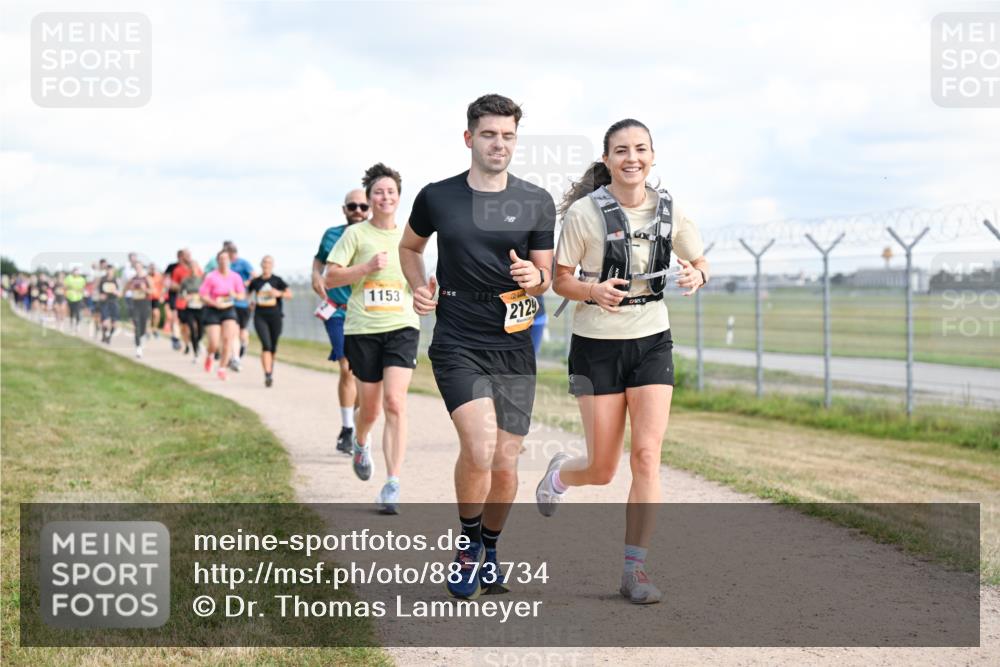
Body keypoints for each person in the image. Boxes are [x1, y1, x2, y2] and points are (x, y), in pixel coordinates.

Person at [534, 118, 709, 605]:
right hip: (596, 346)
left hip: (652, 339)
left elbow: (699, 261)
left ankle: (635, 570)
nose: (632, 158)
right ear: (607, 159)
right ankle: (560, 475)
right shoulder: (585, 215)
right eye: (621, 150)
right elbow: (559, 280)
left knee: (647, 455)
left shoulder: (669, 210)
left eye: (640, 149)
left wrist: (697, 274)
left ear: (653, 156)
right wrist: (593, 290)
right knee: (604, 467)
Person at [399, 94, 555, 598]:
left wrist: (535, 277)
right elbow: (409, 247)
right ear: (469, 138)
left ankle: (489, 548)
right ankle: (467, 548)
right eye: (489, 134)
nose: (499, 144)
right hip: (457, 335)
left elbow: (545, 275)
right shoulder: (436, 196)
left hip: (513, 340)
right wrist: (420, 285)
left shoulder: (536, 200)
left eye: (508, 135)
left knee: (507, 462)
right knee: (480, 446)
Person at [326, 163, 420, 515]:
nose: (384, 197)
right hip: (363, 329)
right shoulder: (355, 236)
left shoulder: (411, 236)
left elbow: (419, 280)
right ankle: (361, 442)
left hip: (402, 326)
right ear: (369, 198)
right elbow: (330, 277)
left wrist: (427, 291)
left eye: (391, 192)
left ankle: (392, 484)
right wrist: (364, 268)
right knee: (371, 408)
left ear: (398, 197)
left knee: (395, 402)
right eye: (378, 192)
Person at [312, 191, 367, 453]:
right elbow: (319, 260)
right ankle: (347, 429)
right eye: (352, 206)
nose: (358, 210)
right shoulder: (332, 235)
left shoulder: (377, 235)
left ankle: (355, 424)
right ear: (344, 209)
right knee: (347, 367)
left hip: (367, 312)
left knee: (362, 373)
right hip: (336, 310)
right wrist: (315, 275)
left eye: (363, 206)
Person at [205, 241, 255, 370]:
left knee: (237, 334)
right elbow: (204, 291)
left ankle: (234, 357)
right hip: (219, 308)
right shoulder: (214, 274)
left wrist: (245, 286)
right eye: (223, 257)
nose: (228, 259)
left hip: (240, 305)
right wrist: (214, 302)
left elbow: (253, 277)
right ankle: (228, 356)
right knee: (224, 337)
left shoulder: (242, 265)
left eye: (230, 255)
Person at [199, 250, 246, 381]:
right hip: (213, 310)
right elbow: (203, 295)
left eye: (226, 259)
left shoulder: (235, 277)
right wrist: (214, 302)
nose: (224, 261)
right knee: (214, 342)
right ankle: (210, 355)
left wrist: (235, 295)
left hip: (228, 309)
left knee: (227, 340)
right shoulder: (211, 276)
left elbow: (242, 295)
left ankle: (222, 368)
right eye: (221, 259)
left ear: (229, 261)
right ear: (218, 261)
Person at [248, 256, 292, 387]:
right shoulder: (256, 281)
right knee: (266, 345)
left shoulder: (277, 280)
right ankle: (267, 374)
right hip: (260, 316)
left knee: (273, 347)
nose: (266, 265)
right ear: (261, 265)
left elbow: (289, 294)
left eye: (269, 263)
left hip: (276, 316)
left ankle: (270, 371)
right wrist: (250, 302)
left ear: (273, 265)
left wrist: (279, 293)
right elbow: (247, 295)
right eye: (265, 262)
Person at [126, 266, 153, 358]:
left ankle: (141, 338)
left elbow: (152, 291)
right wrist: (131, 288)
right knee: (137, 325)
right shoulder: (132, 279)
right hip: (135, 304)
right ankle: (138, 348)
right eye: (136, 268)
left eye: (139, 268)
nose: (138, 269)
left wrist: (144, 289)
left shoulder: (147, 278)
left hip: (144, 303)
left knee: (143, 326)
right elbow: (126, 289)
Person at [97, 264, 121, 343]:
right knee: (105, 323)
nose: (109, 272)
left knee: (114, 324)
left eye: (111, 270)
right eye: (108, 270)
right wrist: (101, 296)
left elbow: (121, 293)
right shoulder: (102, 280)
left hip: (114, 302)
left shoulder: (116, 280)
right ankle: (105, 334)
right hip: (105, 302)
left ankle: (109, 337)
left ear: (113, 271)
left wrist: (116, 292)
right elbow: (99, 291)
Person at [64, 267, 86, 333]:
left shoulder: (82, 279)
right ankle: (71, 324)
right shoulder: (68, 278)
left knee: (78, 311)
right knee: (71, 312)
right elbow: (65, 286)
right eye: (74, 271)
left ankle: (77, 324)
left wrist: (80, 290)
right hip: (70, 297)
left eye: (77, 271)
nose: (76, 273)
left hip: (78, 298)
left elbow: (83, 288)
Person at [148, 263, 164, 336]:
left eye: (154, 268)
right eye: (151, 268)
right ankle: (147, 330)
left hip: (155, 297)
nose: (152, 270)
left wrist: (162, 296)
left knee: (156, 313)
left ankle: (155, 328)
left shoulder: (159, 277)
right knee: (148, 314)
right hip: (147, 297)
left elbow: (162, 287)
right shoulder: (146, 277)